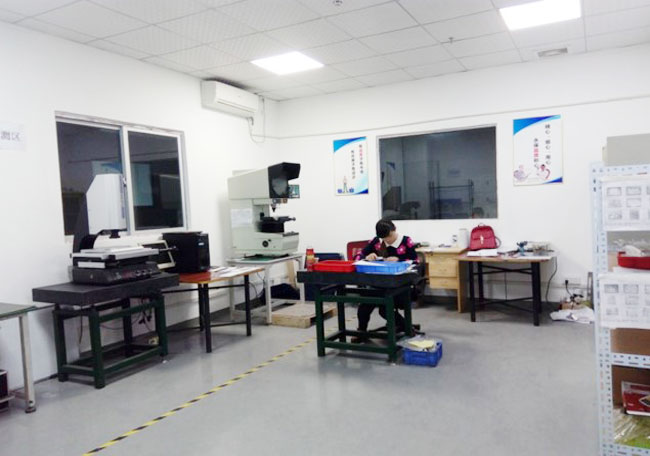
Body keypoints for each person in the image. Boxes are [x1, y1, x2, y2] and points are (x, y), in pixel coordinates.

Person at [353, 219, 419, 341]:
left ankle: (407, 328)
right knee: (364, 305)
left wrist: (399, 260)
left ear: (394, 229)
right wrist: (366, 257)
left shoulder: (406, 241)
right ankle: (361, 332)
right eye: (384, 238)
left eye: (390, 236)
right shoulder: (377, 242)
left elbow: (416, 262)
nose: (387, 240)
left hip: (401, 286)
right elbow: (357, 256)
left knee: (384, 309)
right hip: (379, 284)